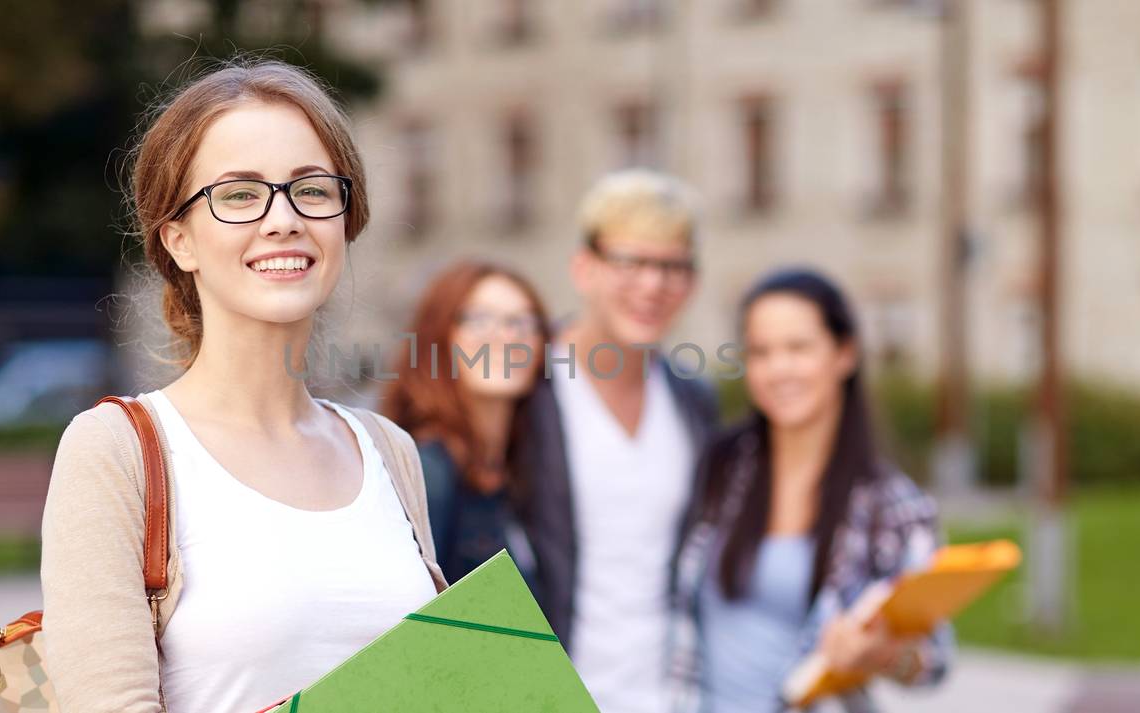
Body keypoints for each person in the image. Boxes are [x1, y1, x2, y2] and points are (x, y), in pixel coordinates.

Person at [38, 59, 447, 713]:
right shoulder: (116, 450)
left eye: (312, 190)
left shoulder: (388, 449)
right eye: (239, 194)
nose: (284, 219)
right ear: (179, 240)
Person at [668, 268, 951, 713]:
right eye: (760, 352)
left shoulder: (892, 504)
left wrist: (881, 655)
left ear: (844, 354)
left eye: (798, 348)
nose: (778, 370)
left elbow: (933, 661)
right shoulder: (720, 466)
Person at [509, 169, 720, 713]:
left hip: (666, 698)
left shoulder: (692, 400)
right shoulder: (524, 387)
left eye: (672, 266)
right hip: (545, 696)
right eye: (631, 262)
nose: (653, 285)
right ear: (585, 268)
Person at [383, 261, 549, 585]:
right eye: (479, 319)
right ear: (438, 337)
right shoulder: (427, 473)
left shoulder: (520, 474)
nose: (506, 336)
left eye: (522, 321)